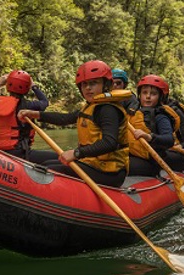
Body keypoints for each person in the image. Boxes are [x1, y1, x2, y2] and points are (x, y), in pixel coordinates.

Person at [18, 60, 131, 188]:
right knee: (46, 163)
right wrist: (36, 114)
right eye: (84, 84)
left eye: (93, 83)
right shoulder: (91, 107)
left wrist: (77, 153)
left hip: (110, 172)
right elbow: (65, 119)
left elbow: (109, 143)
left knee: (49, 168)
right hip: (92, 163)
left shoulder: (108, 109)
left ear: (106, 85)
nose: (88, 88)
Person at [0, 70, 49, 160]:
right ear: (27, 88)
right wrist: (34, 86)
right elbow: (45, 102)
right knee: (58, 158)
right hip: (19, 152)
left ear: (7, 85)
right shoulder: (27, 106)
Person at [127, 74, 184, 176]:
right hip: (139, 155)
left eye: (153, 94)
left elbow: (169, 139)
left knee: (119, 165)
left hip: (154, 161)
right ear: (140, 95)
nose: (148, 96)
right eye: (144, 93)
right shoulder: (133, 113)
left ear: (160, 97)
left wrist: (149, 137)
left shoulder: (160, 116)